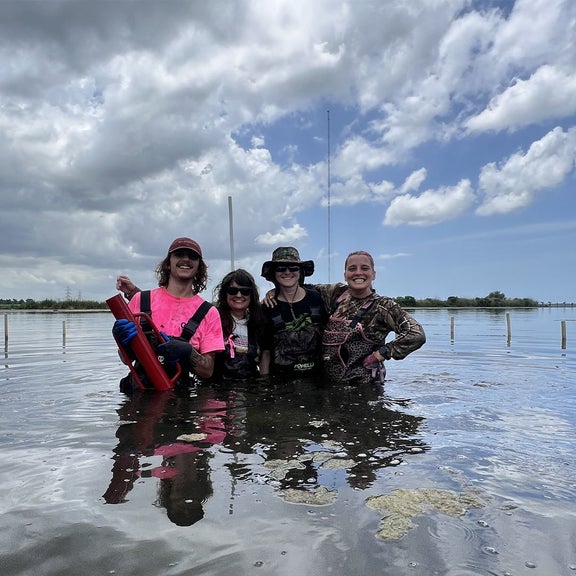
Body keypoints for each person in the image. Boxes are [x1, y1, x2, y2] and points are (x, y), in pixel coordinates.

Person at [112, 237, 224, 393]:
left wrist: (188, 352)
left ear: (199, 267)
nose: (185, 259)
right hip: (138, 394)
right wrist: (123, 344)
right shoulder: (141, 300)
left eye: (192, 256)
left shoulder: (209, 312)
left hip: (179, 400)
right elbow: (126, 360)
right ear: (168, 263)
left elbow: (207, 372)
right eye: (179, 254)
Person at [313, 250, 426, 385]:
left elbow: (416, 334)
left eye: (365, 268)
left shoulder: (383, 306)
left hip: (366, 389)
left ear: (373, 275)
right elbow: (299, 289)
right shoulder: (335, 293)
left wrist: (381, 354)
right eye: (352, 268)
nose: (358, 273)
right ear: (345, 275)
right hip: (329, 387)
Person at [260, 247, 328, 378]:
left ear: (300, 272)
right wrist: (264, 386)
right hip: (282, 386)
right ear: (273, 273)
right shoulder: (267, 307)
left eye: (293, 268)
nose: (287, 272)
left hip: (317, 383)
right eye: (280, 268)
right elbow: (266, 352)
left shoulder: (317, 298)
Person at [211, 269, 270, 381]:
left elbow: (265, 357)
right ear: (224, 293)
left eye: (245, 291)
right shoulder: (213, 319)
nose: (239, 295)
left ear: (252, 295)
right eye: (233, 291)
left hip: (250, 389)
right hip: (219, 390)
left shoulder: (260, 323)